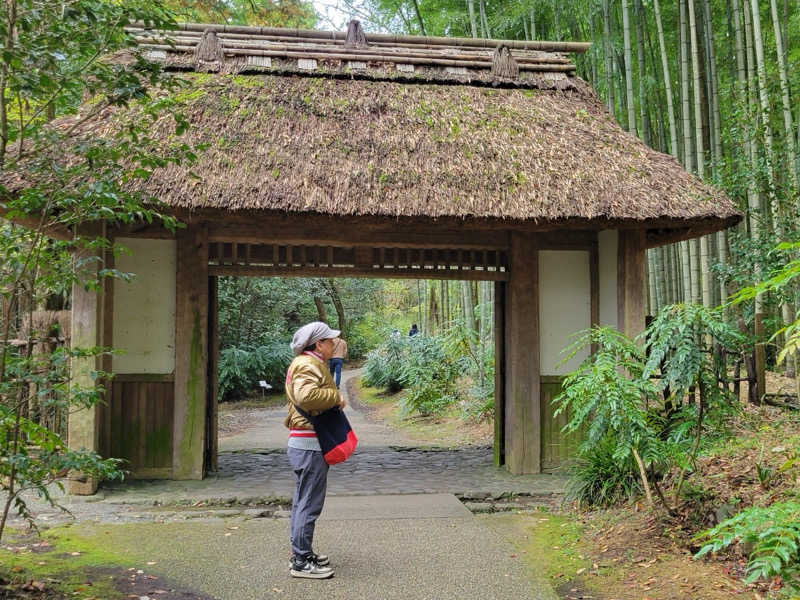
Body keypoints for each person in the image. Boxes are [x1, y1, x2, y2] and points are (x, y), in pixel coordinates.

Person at [285, 321, 345, 579]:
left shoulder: (308, 363)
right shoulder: (307, 364)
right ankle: (300, 561)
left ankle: (302, 552)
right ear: (319, 344)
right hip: (309, 444)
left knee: (303, 501)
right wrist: (336, 397)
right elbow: (306, 397)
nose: (334, 344)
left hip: (306, 443)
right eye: (330, 340)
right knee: (309, 503)